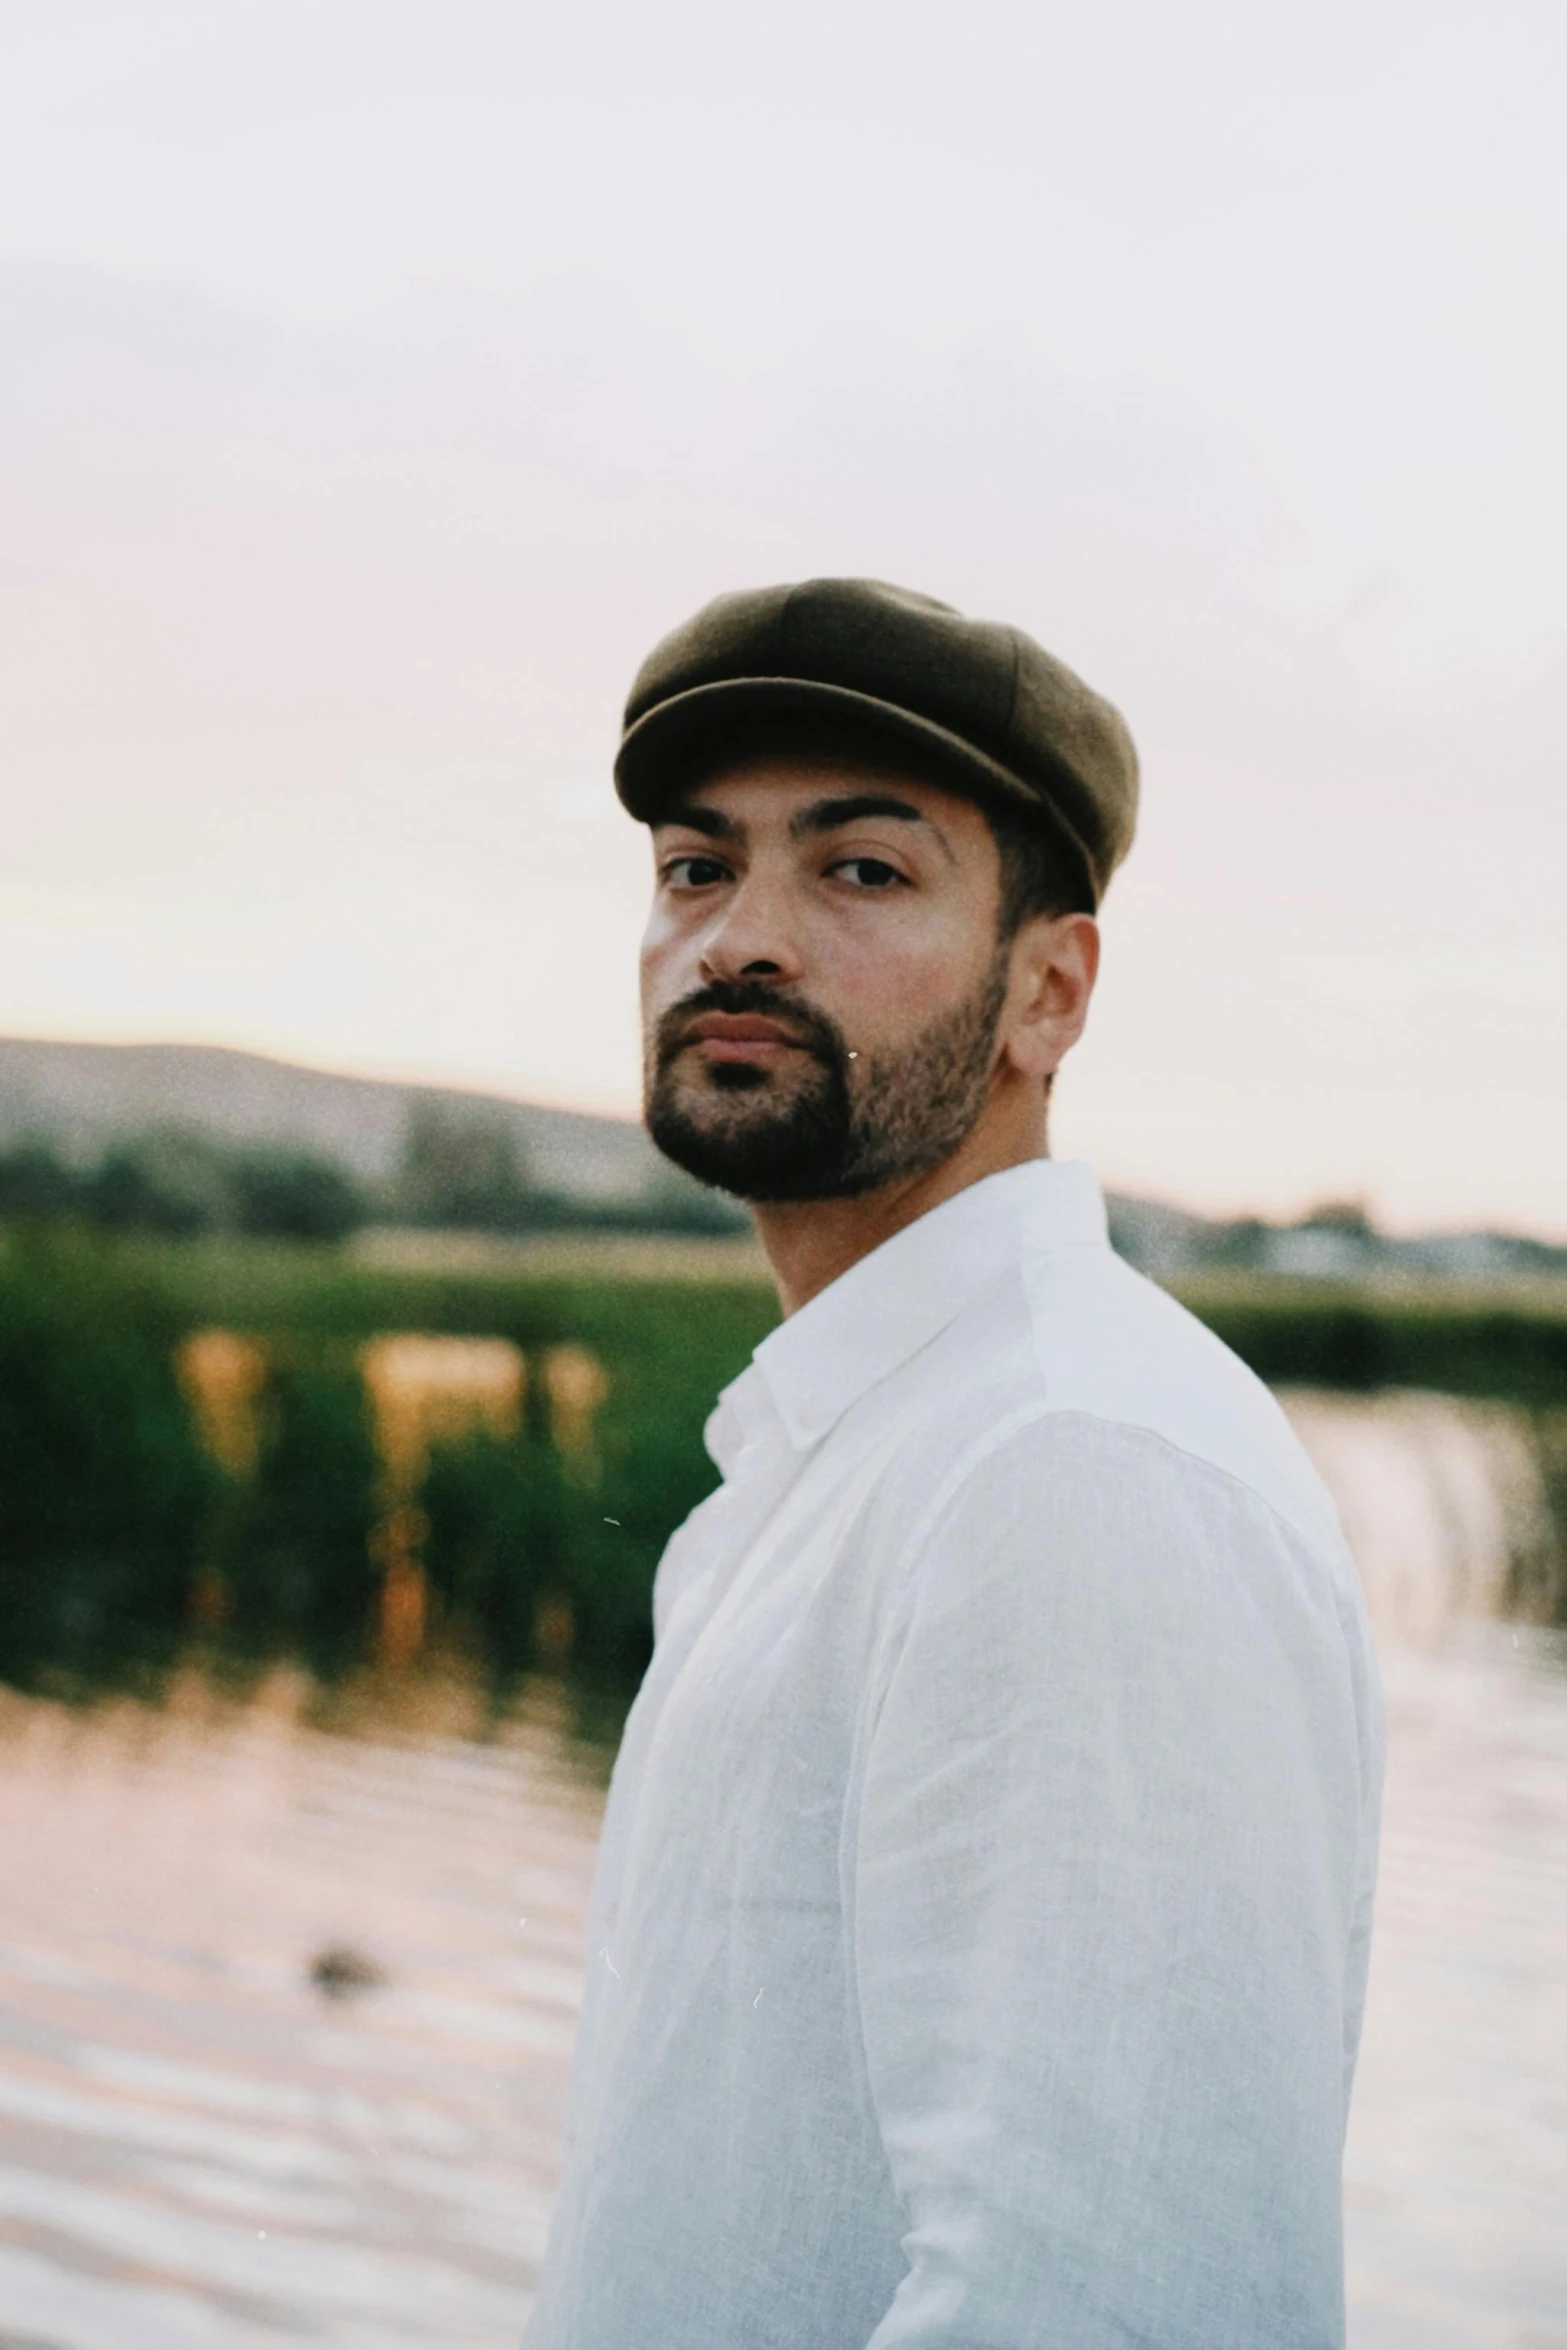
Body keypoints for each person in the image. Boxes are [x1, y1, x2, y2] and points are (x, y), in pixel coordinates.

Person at [522, 577, 1384, 2349]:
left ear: (1046, 992)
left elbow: (1114, 2298)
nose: (737, 939)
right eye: (698, 866)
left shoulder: (1071, 1467)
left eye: (860, 870)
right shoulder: (863, 1446)